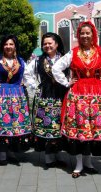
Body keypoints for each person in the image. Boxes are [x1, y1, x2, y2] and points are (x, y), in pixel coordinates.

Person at [52, 21, 101, 178]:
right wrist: (66, 82)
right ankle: (78, 164)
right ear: (78, 35)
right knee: (79, 129)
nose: (84, 36)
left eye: (87, 33)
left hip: (97, 95)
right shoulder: (73, 52)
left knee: (92, 129)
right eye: (82, 33)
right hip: (78, 95)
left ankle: (88, 162)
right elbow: (56, 68)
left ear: (93, 34)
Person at [24, 32, 69, 167]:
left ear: (57, 44)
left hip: (61, 95)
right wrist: (35, 85)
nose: (47, 46)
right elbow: (27, 74)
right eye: (45, 44)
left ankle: (58, 155)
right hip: (45, 96)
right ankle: (49, 158)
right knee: (47, 125)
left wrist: (70, 82)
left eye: (50, 43)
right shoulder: (38, 60)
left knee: (59, 125)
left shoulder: (65, 59)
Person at [0, 35, 32, 165]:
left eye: (11, 44)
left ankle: (11, 152)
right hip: (1, 95)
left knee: (14, 124)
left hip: (17, 96)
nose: (8, 46)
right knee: (2, 123)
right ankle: (2, 154)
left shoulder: (21, 61)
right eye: (6, 44)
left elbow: (28, 76)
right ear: (3, 46)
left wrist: (26, 84)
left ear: (15, 46)